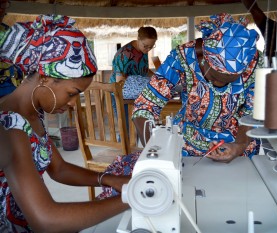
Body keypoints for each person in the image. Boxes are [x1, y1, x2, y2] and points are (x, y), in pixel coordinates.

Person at [98, 13, 263, 200]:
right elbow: (146, 105)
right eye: (215, 79)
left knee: (235, 198)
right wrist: (156, 153)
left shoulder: (255, 63)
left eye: (229, 83)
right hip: (187, 141)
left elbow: (253, 114)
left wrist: (240, 145)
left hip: (235, 144)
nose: (219, 86)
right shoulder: (183, 57)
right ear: (204, 61)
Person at [0, 14, 130, 232]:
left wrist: (107, 179)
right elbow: (46, 220)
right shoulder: (10, 124)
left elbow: (58, 169)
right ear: (44, 78)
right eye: (72, 93)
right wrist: (132, 198)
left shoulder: (33, 114)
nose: (72, 103)